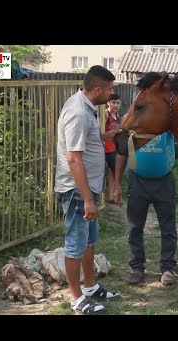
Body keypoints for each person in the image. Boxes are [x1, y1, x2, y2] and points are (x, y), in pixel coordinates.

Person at [54, 65, 121, 315]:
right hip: (76, 191)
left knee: (89, 240)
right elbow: (73, 159)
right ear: (97, 89)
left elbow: (88, 140)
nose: (112, 93)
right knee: (75, 243)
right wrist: (86, 199)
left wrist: (107, 135)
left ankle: (90, 286)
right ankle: (76, 299)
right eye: (111, 89)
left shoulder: (88, 108)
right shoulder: (78, 112)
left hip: (88, 188)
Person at [113, 115, 178, 287]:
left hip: (164, 181)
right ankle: (137, 268)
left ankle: (167, 269)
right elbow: (122, 153)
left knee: (168, 227)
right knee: (135, 227)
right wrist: (117, 184)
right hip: (138, 181)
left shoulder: (166, 122)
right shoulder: (132, 124)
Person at [102, 93, 122, 203]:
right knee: (111, 172)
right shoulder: (106, 114)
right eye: (113, 102)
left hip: (113, 148)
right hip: (104, 149)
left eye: (118, 103)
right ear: (108, 103)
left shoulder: (117, 117)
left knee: (112, 173)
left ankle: (111, 197)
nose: (116, 105)